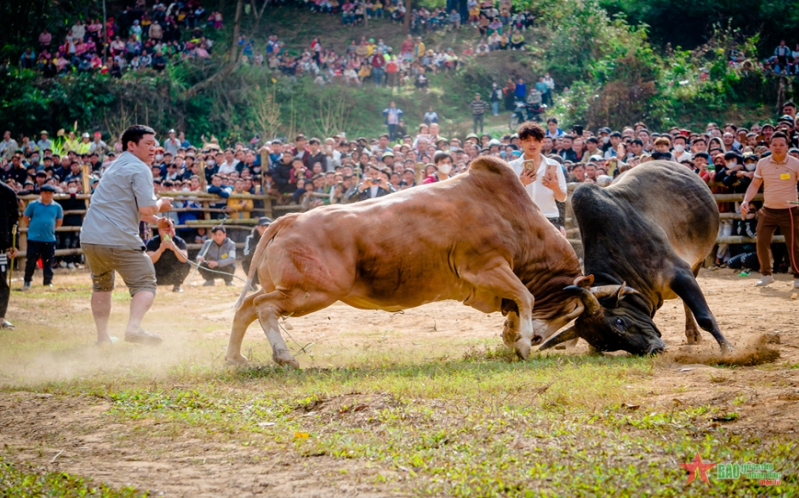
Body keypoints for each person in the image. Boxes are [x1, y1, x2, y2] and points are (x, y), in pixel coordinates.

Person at [80, 124, 174, 346]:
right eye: (148, 144)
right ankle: (133, 328)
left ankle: (102, 338)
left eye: (155, 144)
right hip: (118, 238)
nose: (154, 149)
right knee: (145, 282)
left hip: (91, 238)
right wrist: (163, 204)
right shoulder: (140, 168)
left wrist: (157, 222)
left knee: (101, 286)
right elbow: (149, 208)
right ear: (131, 145)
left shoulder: (113, 167)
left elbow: (130, 208)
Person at [741, 132, 799, 287]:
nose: (778, 148)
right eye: (775, 145)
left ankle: (798, 277)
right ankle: (766, 275)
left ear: (787, 147)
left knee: (794, 244)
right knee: (761, 242)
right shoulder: (762, 163)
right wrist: (746, 200)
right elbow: (754, 184)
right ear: (769, 146)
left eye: (781, 145)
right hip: (768, 210)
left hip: (791, 210)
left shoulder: (795, 163)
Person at [508, 121, 568, 233]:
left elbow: (562, 198)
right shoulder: (511, 167)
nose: (532, 144)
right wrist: (520, 183)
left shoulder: (554, 165)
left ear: (542, 142)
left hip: (550, 219)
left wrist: (555, 187)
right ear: (520, 142)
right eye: (527, 140)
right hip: (521, 220)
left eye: (536, 140)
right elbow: (506, 198)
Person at [22, 184, 63, 290]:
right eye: (46, 193)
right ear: (41, 193)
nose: (48, 195)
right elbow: (26, 218)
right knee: (31, 261)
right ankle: (27, 281)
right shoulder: (33, 205)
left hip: (49, 238)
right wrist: (33, 227)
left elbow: (59, 221)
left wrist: (51, 229)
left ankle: (47, 281)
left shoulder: (57, 206)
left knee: (48, 262)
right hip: (34, 238)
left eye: (51, 193)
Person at [146, 226, 190, 292]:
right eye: (165, 230)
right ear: (159, 231)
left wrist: (175, 248)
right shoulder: (153, 242)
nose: (167, 233)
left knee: (187, 264)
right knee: (146, 266)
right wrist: (160, 250)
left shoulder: (179, 241)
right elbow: (149, 261)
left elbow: (184, 259)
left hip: (173, 272)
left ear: (174, 231)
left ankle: (177, 286)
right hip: (158, 274)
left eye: (170, 230)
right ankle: (151, 286)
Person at [0, 180, 19, 329]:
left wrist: (14, 243)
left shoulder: (7, 192)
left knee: (1, 283)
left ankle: (0, 318)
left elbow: (14, 220)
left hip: (0, 246)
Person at [243, 217, 271, 288]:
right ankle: (252, 283)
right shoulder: (250, 238)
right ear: (257, 227)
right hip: (256, 263)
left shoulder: (275, 238)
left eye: (268, 227)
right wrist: (257, 247)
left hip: (269, 263)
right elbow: (246, 254)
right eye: (263, 227)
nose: (265, 229)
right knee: (245, 262)